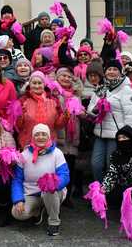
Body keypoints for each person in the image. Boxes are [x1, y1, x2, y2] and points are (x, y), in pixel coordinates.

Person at [11, 123, 70, 236]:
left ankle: (53, 222)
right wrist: (18, 199)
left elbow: (65, 175)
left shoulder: (57, 153)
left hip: (53, 191)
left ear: (49, 137)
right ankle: (39, 210)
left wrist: (54, 184)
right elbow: (17, 180)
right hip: (32, 193)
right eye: (37, 134)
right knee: (17, 213)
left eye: (44, 134)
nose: (41, 137)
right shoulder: (24, 155)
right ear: (33, 137)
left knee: (48, 190)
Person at [87, 59, 132, 182]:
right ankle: (99, 192)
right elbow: (90, 110)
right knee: (96, 165)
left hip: (117, 135)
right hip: (100, 134)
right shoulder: (101, 89)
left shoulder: (126, 89)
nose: (112, 72)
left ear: (120, 72)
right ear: (105, 72)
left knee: (112, 165)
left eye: (115, 69)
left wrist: (129, 136)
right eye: (109, 69)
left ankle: (112, 193)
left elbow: (130, 115)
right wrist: (97, 108)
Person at [55, 67, 84, 207]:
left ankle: (68, 196)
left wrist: (82, 113)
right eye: (63, 76)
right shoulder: (54, 93)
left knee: (70, 166)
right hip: (60, 133)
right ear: (57, 78)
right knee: (59, 166)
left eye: (68, 76)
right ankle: (57, 195)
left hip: (72, 136)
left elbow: (81, 112)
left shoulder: (76, 95)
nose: (66, 78)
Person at [16, 71, 67, 148]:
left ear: (44, 84)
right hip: (27, 143)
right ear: (29, 84)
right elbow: (18, 126)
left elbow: (58, 125)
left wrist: (66, 115)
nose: (37, 86)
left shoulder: (54, 100)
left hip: (49, 143)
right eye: (34, 83)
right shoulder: (23, 100)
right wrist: (19, 115)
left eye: (39, 83)